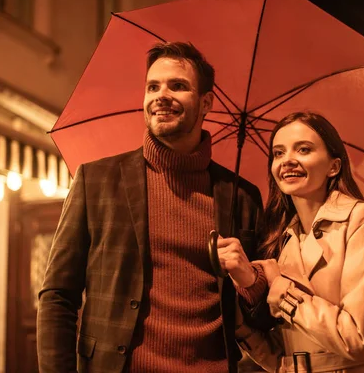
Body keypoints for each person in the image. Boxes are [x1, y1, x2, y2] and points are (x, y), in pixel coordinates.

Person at [37, 42, 264, 373]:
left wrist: (248, 279)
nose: (161, 95)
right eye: (153, 86)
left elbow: (264, 317)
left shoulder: (242, 196)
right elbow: (58, 295)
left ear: (206, 103)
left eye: (178, 86)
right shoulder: (97, 180)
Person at [224, 111, 364, 372]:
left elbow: (355, 339)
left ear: (334, 166)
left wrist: (280, 287)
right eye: (278, 153)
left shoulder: (362, 220)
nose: (288, 161)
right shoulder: (284, 239)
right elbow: (282, 356)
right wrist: (238, 312)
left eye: (303, 150)